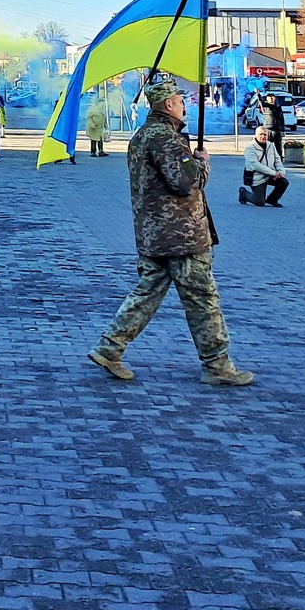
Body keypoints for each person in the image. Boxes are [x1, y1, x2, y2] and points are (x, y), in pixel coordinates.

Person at [87, 80, 252, 386]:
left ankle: (109, 347)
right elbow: (186, 182)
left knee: (147, 293)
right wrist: (202, 163)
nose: (184, 103)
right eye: (179, 99)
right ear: (167, 105)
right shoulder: (166, 139)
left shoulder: (143, 137)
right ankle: (217, 364)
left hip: (154, 234)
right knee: (203, 299)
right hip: (181, 237)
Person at [240, 125, 289, 206]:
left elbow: (277, 160)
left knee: (284, 182)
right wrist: (273, 173)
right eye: (261, 134)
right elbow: (255, 165)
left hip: (270, 175)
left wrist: (280, 173)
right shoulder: (250, 148)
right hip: (257, 177)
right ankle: (243, 194)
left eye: (265, 135)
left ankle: (272, 200)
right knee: (259, 202)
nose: (263, 137)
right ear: (256, 135)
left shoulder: (270, 145)